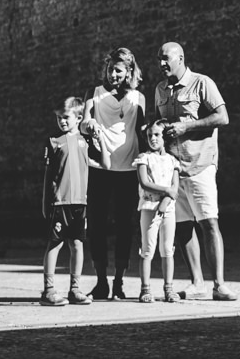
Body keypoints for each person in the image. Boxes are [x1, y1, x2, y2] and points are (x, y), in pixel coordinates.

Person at [150, 41, 236, 301]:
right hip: (174, 170)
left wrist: (187, 127)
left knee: (209, 222)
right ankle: (197, 282)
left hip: (200, 165)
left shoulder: (202, 83)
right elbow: (158, 122)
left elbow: (222, 117)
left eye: (166, 58)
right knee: (184, 226)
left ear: (181, 58)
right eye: (159, 59)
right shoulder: (160, 89)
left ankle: (219, 284)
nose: (162, 64)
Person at [81, 47, 147, 301]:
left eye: (118, 70)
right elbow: (84, 122)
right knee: (96, 224)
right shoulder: (94, 94)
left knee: (124, 225)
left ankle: (119, 280)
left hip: (128, 168)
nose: (112, 75)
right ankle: (100, 281)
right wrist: (91, 125)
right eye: (110, 69)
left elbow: (141, 130)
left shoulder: (138, 97)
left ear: (129, 71)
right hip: (99, 167)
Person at [39, 95, 93, 307]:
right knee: (55, 243)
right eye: (59, 118)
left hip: (80, 203)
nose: (62, 121)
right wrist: (45, 201)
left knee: (77, 244)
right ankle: (49, 289)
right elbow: (47, 175)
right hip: (59, 202)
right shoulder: (53, 142)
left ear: (79, 117)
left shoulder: (85, 142)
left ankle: (75, 289)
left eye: (66, 117)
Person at [133, 118, 180, 303]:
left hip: (168, 210)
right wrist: (165, 191)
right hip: (148, 208)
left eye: (157, 135)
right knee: (147, 249)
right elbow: (145, 183)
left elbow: (174, 187)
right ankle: (145, 289)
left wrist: (165, 201)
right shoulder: (144, 158)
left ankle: (169, 288)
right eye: (150, 135)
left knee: (168, 249)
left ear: (164, 137)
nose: (153, 138)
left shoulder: (173, 161)